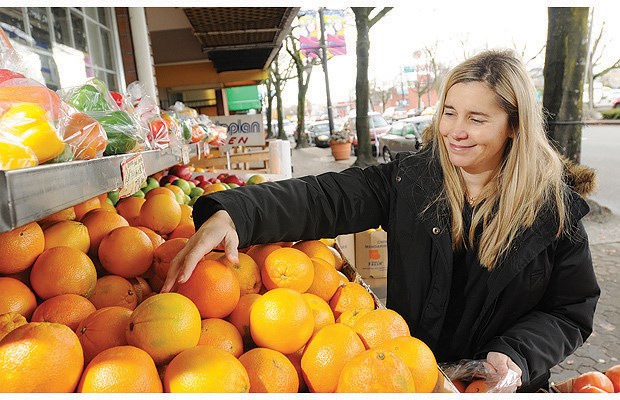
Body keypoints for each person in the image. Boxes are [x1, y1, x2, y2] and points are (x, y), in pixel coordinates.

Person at [162, 49, 600, 392]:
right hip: (406, 375)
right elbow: (324, 198)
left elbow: (570, 310)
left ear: (514, 126)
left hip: (499, 387)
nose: (455, 130)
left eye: (476, 118)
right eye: (449, 112)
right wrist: (236, 214)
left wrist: (516, 357)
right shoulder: (414, 180)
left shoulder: (554, 213)